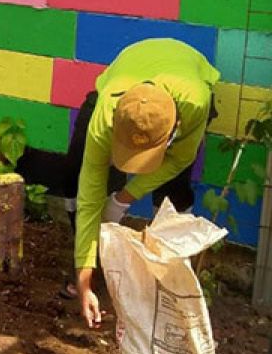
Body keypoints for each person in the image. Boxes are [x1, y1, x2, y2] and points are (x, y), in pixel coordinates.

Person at [17, 38, 219, 329]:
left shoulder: (195, 103)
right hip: (126, 76)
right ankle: (91, 265)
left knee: (172, 189)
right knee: (75, 172)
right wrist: (83, 280)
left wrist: (123, 198)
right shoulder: (106, 117)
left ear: (173, 131)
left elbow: (178, 160)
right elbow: (89, 197)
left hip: (187, 73)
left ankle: (174, 283)